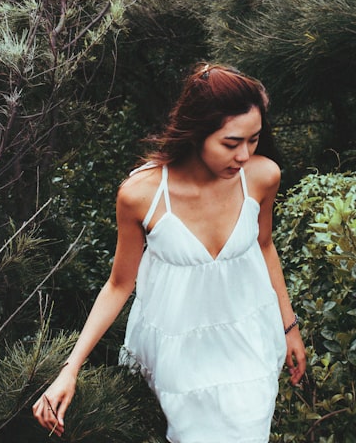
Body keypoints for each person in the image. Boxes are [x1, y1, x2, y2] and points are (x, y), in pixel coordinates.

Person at [33, 63, 307, 442]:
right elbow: (118, 284)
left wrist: (289, 328)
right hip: (178, 353)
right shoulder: (142, 194)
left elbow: (264, 245)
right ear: (197, 133)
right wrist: (70, 369)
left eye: (254, 140)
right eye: (231, 143)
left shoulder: (262, 177)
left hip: (248, 340)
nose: (244, 154)